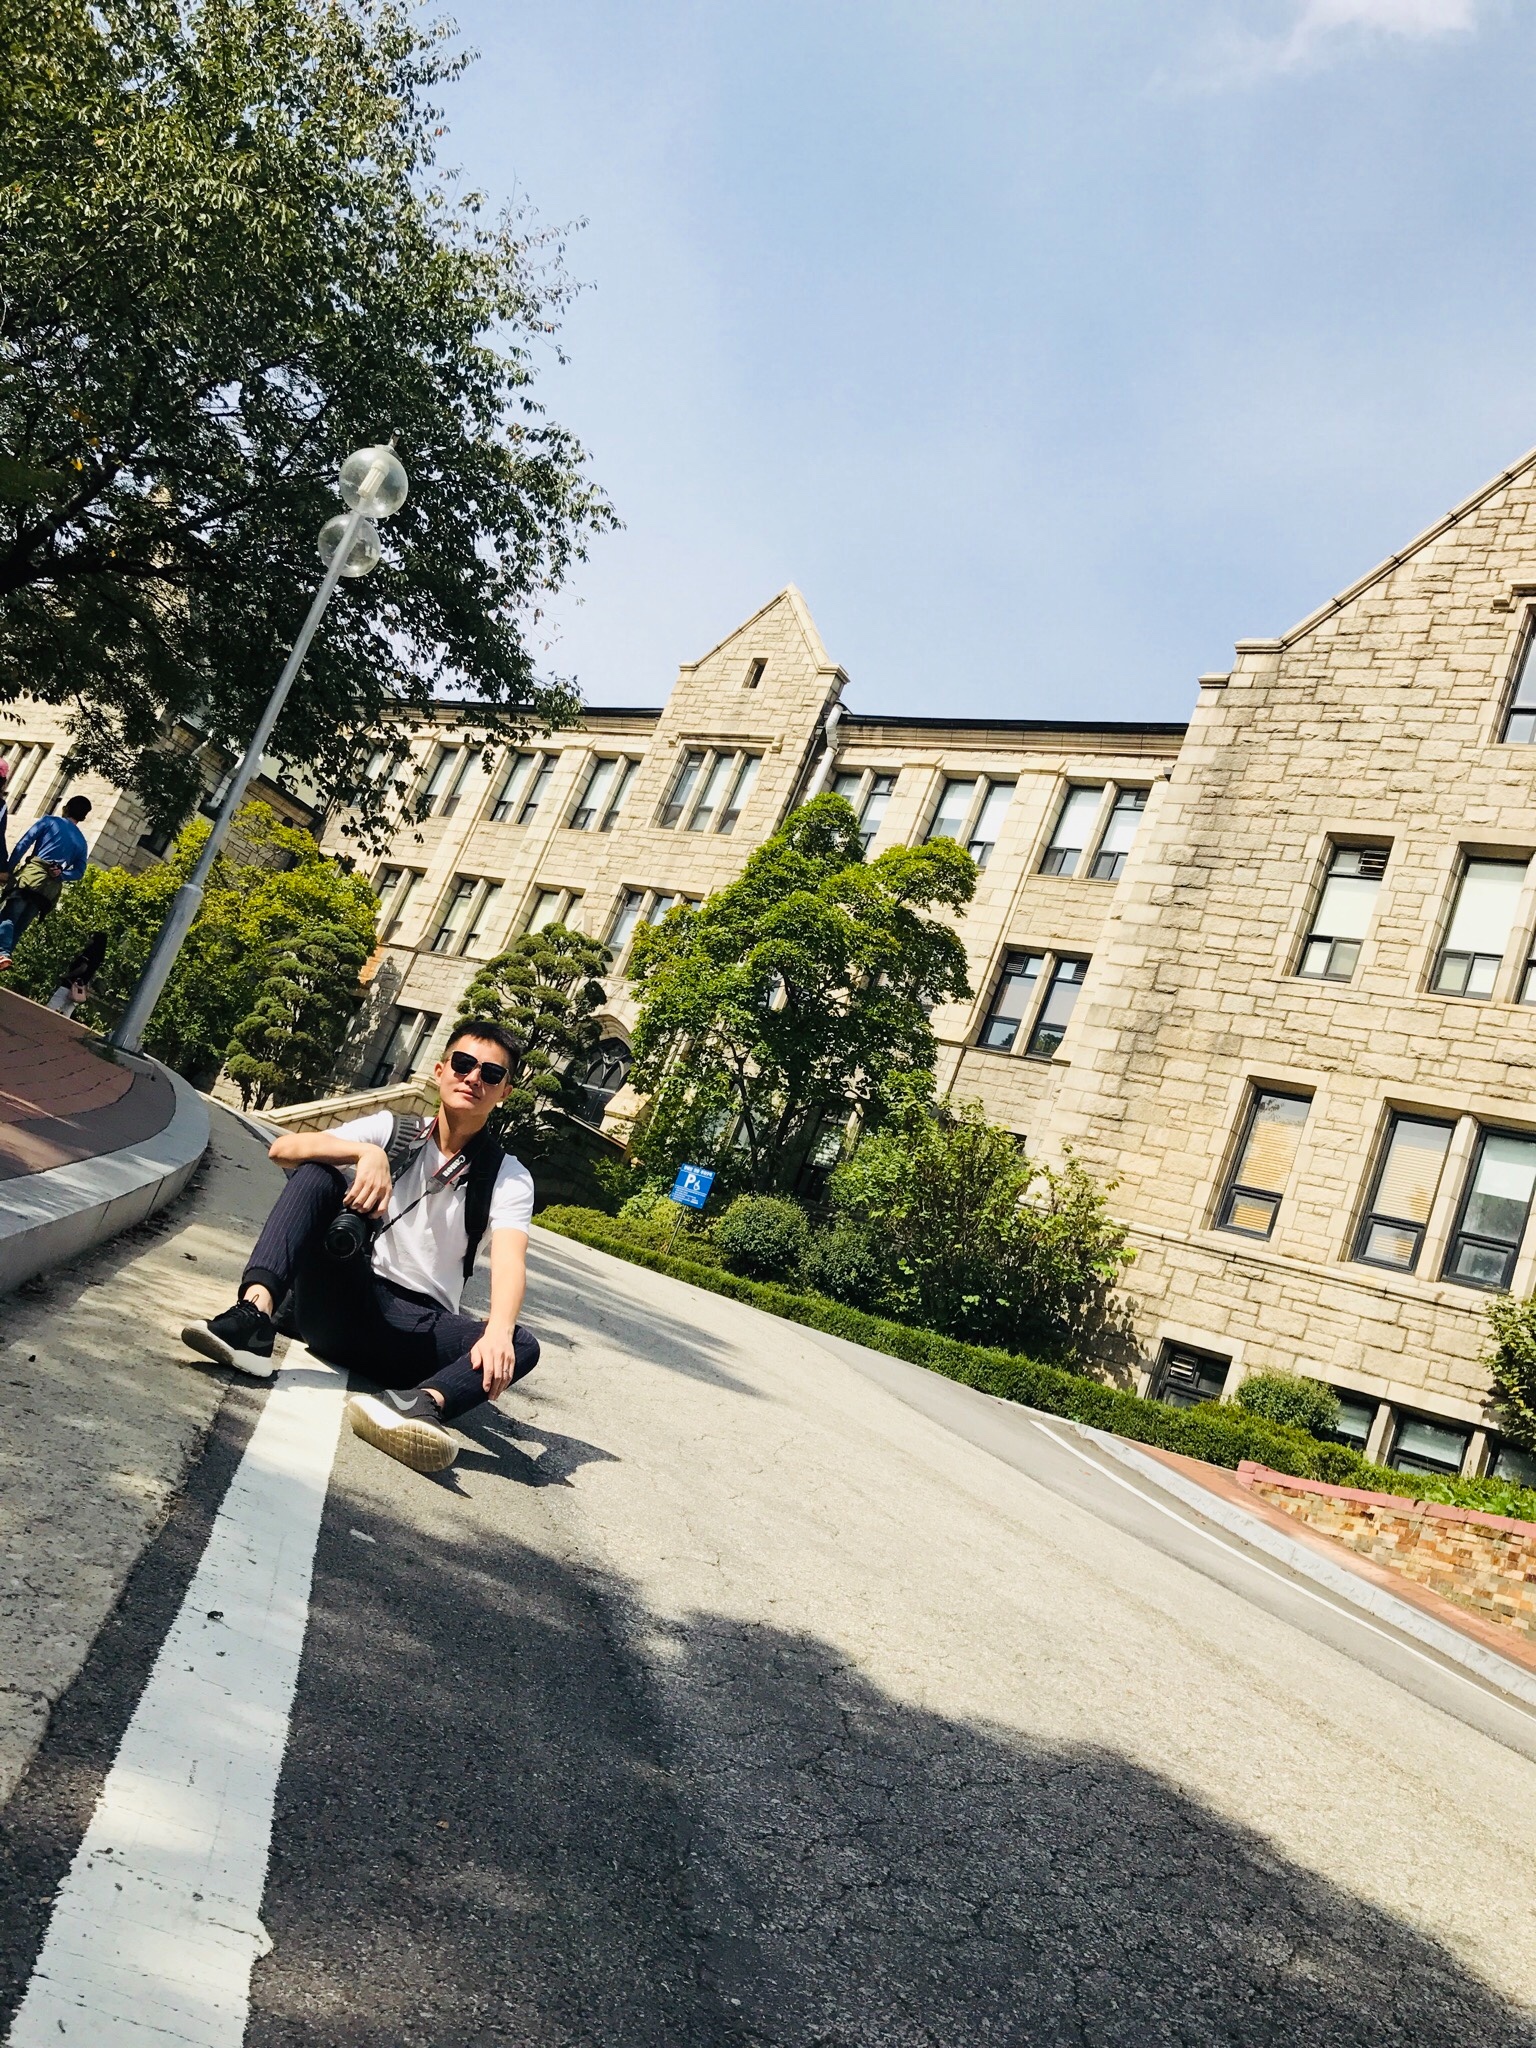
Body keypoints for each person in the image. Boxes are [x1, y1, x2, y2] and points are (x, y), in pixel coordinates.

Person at [182, 1020, 539, 1473]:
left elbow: (510, 1259)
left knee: (521, 1342)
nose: (473, 1078)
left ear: (504, 1092)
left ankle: (417, 1405)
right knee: (319, 1173)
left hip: (415, 1335)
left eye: (491, 1073)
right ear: (440, 1070)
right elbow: (284, 1148)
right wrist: (364, 1154)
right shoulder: (393, 1129)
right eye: (464, 1064)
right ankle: (252, 1319)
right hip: (343, 1295)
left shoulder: (508, 1176)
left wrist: (499, 1330)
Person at [0, 794, 93, 969]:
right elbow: (79, 872)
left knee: (9, 917)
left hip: (31, 878)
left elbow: (23, 844)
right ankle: (5, 958)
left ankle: (3, 953)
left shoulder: (50, 821)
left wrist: (9, 870)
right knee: (20, 927)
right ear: (83, 816)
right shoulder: (81, 842)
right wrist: (61, 874)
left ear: (66, 808)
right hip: (48, 890)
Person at [47, 932, 108, 1017]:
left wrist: (67, 975)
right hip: (79, 988)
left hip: (70, 983)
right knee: (66, 1012)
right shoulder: (98, 958)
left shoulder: (89, 952)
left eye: (91, 938)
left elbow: (83, 968)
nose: (89, 940)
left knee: (52, 1006)